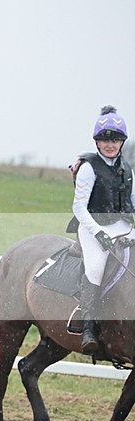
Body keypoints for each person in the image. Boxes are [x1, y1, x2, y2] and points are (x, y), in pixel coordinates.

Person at [68, 106, 135, 355]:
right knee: (96, 268)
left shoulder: (128, 169)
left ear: (122, 142)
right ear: (97, 141)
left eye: (115, 139)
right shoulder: (89, 167)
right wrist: (97, 232)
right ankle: (88, 327)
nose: (110, 144)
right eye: (105, 139)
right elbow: (79, 207)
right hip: (91, 225)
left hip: (121, 226)